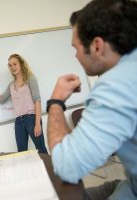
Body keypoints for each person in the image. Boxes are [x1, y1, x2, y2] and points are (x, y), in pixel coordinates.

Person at [46, 0, 137, 199]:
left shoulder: (117, 85)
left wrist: (55, 102)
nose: (76, 55)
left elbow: (67, 166)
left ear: (97, 46)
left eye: (76, 47)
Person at [0, 54, 48, 153]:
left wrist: (37, 123)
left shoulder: (30, 79)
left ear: (21, 64)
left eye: (14, 64)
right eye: (10, 65)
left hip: (31, 119)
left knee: (41, 150)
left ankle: (48, 168)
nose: (12, 67)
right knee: (21, 152)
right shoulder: (11, 85)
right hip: (18, 122)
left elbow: (37, 101)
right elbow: (1, 99)